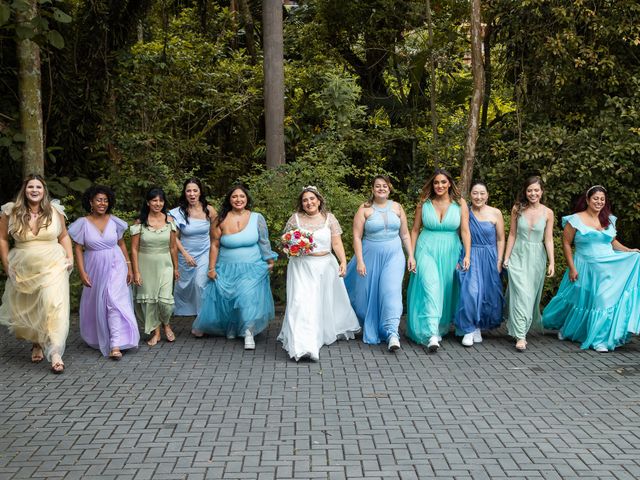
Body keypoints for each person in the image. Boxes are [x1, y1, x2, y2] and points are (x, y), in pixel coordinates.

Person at [542, 185, 640, 352]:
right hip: (586, 265)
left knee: (604, 300)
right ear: (587, 200)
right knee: (581, 300)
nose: (599, 202)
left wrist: (629, 251)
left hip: (609, 266)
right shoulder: (575, 220)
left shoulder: (608, 219)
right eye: (595, 198)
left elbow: (612, 241)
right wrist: (572, 267)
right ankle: (569, 330)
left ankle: (601, 339)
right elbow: (566, 243)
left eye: (602, 199)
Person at [278, 186, 360, 361]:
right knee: (301, 303)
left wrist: (343, 261)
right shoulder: (295, 219)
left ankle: (318, 334)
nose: (309, 202)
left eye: (312, 199)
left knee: (320, 303)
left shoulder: (329, 219)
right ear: (302, 203)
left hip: (325, 266)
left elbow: (336, 244)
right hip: (302, 267)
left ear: (319, 200)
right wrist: (293, 248)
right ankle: (304, 346)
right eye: (305, 200)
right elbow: (285, 243)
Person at [0, 174, 73, 373]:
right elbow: (3, 239)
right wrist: (6, 264)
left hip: (53, 264)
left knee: (52, 303)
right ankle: (37, 343)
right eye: (30, 187)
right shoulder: (10, 211)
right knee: (31, 307)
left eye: (38, 187)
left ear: (44, 191)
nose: (34, 190)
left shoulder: (54, 211)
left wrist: (70, 259)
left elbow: (64, 236)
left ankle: (55, 352)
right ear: (24, 190)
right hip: (24, 267)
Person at [192, 185, 276, 349]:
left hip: (252, 266)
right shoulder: (220, 219)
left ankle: (248, 332)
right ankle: (232, 327)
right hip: (227, 266)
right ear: (229, 200)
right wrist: (211, 268)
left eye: (242, 196)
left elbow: (263, 241)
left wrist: (269, 259)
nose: (238, 200)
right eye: (235, 197)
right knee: (229, 299)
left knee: (246, 298)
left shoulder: (257, 217)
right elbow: (214, 245)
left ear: (247, 199)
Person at [344, 175, 415, 351]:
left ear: (389, 188)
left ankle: (392, 334)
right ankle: (372, 324)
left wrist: (411, 256)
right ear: (372, 189)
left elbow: (405, 234)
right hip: (369, 256)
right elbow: (357, 236)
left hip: (394, 255)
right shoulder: (364, 209)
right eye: (377, 186)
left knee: (390, 291)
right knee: (363, 297)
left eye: (384, 186)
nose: (381, 188)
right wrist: (360, 261)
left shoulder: (398, 207)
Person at [68, 185, 140, 359]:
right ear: (91, 202)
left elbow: (121, 244)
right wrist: (82, 272)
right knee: (99, 302)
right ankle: (101, 335)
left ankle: (116, 344)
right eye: (99, 200)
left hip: (117, 264)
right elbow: (78, 249)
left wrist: (129, 266)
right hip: (94, 266)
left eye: (106, 200)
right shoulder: (82, 223)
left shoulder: (114, 221)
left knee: (113, 301)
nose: (103, 203)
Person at [406, 169, 471, 353]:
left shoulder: (460, 204)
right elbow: (415, 230)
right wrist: (411, 255)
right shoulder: (424, 203)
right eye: (436, 183)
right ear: (432, 185)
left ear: (450, 183)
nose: (440, 186)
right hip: (426, 249)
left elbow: (465, 231)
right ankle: (432, 334)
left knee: (446, 290)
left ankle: (440, 327)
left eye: (443, 182)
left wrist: (467, 255)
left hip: (450, 250)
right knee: (430, 286)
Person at [503, 176, 555, 351]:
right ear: (525, 192)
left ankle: (520, 329)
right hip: (518, 254)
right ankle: (521, 336)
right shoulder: (517, 209)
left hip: (537, 258)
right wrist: (506, 257)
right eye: (529, 190)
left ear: (541, 192)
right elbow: (512, 234)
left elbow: (548, 239)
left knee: (530, 296)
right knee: (521, 294)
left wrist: (552, 262)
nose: (533, 193)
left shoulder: (548, 213)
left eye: (536, 190)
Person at [455, 180, 505, 347]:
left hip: (490, 256)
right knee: (471, 291)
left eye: (482, 193)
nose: (478, 197)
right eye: (475, 193)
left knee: (487, 293)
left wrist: (499, 260)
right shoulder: (466, 213)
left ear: (487, 195)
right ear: (470, 195)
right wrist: (460, 258)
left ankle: (478, 326)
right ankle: (468, 329)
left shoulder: (496, 213)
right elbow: (460, 235)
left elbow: (501, 238)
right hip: (471, 254)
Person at [130, 187, 179, 346]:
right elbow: (134, 249)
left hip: (165, 264)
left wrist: (176, 268)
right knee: (151, 301)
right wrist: (136, 271)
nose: (158, 203)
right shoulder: (140, 223)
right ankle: (157, 332)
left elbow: (173, 247)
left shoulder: (170, 221)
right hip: (146, 264)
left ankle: (166, 323)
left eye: (161, 200)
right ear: (148, 202)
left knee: (165, 301)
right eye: (154, 200)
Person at [169, 178, 216, 317]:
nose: (192, 194)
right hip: (185, 253)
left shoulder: (209, 210)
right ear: (184, 193)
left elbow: (215, 234)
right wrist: (185, 254)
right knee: (184, 286)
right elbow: (174, 238)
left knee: (200, 283)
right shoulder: (178, 213)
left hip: (205, 252)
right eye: (188, 191)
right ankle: (190, 312)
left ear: (200, 192)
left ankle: (204, 317)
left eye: (195, 190)